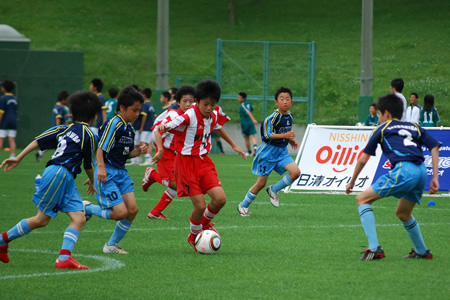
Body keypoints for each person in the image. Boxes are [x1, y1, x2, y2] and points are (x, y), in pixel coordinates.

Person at [0, 91, 102, 269]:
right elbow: (88, 164)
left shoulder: (63, 128)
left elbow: (38, 141)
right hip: (59, 173)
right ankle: (2, 240)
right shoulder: (90, 134)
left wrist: (19, 157)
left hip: (65, 176)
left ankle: (64, 259)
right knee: (41, 220)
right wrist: (92, 181)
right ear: (94, 115)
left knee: (79, 217)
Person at [345, 93, 441, 260]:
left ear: (386, 114)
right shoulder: (414, 126)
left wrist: (352, 182)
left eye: (380, 115)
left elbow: (363, 159)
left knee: (362, 199)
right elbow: (434, 147)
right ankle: (421, 251)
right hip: (421, 172)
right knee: (403, 213)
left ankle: (374, 249)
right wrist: (435, 178)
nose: (379, 118)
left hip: (404, 170)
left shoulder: (382, 128)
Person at [159, 80, 246, 251]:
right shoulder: (189, 115)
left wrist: (234, 145)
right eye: (205, 104)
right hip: (185, 163)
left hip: (204, 161)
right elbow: (169, 126)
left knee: (220, 199)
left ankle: (204, 225)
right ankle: (193, 237)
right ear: (197, 101)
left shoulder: (212, 114)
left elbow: (218, 127)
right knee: (199, 205)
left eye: (212, 104)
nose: (208, 108)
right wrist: (164, 127)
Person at [83, 85, 146, 254]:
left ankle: (111, 245)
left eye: (139, 110)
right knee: (120, 213)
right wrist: (100, 168)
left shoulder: (129, 129)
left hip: (121, 172)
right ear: (122, 108)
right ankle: (87, 208)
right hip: (108, 173)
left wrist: (138, 151)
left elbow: (124, 155)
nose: (136, 114)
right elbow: (100, 149)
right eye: (134, 110)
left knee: (132, 210)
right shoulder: (114, 124)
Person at [238, 87, 300, 216]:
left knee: (296, 172)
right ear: (276, 102)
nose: (285, 102)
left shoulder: (290, 116)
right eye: (281, 99)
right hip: (268, 153)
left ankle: (274, 189)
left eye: (288, 99)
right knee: (261, 183)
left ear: (291, 102)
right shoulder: (272, 118)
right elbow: (267, 135)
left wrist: (289, 140)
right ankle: (243, 206)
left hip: (282, 152)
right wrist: (286, 136)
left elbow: (283, 133)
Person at [142, 85, 195, 219]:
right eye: (184, 101)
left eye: (191, 101)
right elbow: (157, 131)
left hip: (174, 152)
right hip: (165, 150)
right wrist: (160, 150)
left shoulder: (191, 116)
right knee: (177, 184)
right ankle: (152, 175)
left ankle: (155, 212)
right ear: (178, 102)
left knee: (179, 184)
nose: (188, 104)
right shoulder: (174, 114)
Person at [0, 80, 18, 159]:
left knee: (1, 139)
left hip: (5, 121)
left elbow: (1, 112)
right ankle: (13, 156)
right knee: (12, 139)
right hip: (13, 121)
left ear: (4, 88)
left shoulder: (3, 98)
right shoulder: (15, 98)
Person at [138, 88, 156, 165]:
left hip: (145, 127)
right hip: (150, 126)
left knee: (142, 142)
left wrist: (141, 127)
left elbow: (144, 116)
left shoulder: (145, 105)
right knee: (148, 143)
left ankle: (148, 158)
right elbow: (154, 116)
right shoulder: (151, 104)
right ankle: (150, 159)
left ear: (144, 95)